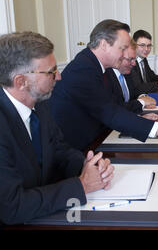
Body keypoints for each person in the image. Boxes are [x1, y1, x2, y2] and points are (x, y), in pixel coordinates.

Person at [0, 32, 114, 225]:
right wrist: (81, 186)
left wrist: (89, 166)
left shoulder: (40, 103)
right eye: (51, 72)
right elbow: (12, 206)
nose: (59, 76)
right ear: (21, 81)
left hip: (44, 214)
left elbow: (59, 151)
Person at [50, 19, 158, 151]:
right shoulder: (84, 69)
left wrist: (139, 119)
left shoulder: (92, 64)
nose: (124, 55)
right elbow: (110, 113)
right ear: (104, 44)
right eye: (122, 49)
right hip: (75, 150)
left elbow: (111, 107)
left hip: (94, 140)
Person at [104, 40, 157, 113]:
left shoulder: (127, 72)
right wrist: (142, 102)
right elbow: (114, 109)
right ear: (118, 57)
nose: (134, 63)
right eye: (130, 59)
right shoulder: (106, 76)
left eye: (134, 59)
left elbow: (134, 92)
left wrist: (142, 97)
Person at [130, 29, 158, 94]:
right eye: (142, 45)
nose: (146, 49)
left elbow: (151, 76)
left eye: (149, 45)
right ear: (134, 45)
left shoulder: (143, 59)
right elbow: (139, 87)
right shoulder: (130, 62)